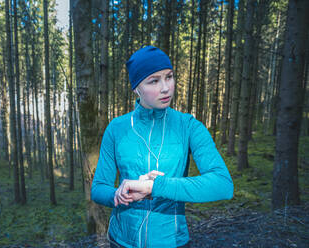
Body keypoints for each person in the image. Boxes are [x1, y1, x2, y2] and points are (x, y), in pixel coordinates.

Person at [91, 46, 234, 248]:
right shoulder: (116, 128)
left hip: (171, 241)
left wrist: (154, 187)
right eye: (154, 80)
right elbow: (98, 188)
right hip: (121, 240)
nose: (166, 87)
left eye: (169, 76)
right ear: (136, 88)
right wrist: (118, 195)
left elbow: (223, 185)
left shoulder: (189, 126)